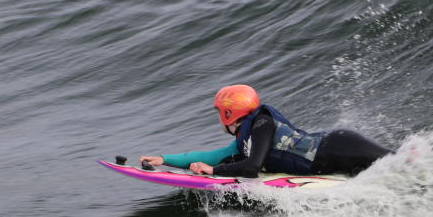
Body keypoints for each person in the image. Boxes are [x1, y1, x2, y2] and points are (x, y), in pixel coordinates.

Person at [138, 85, 392, 177]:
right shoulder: (245, 137)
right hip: (333, 153)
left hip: (338, 147)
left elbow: (252, 167)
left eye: (218, 111)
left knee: (400, 162)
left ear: (229, 113)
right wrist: (165, 160)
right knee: (390, 171)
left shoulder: (261, 124)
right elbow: (214, 155)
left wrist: (214, 172)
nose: (218, 116)